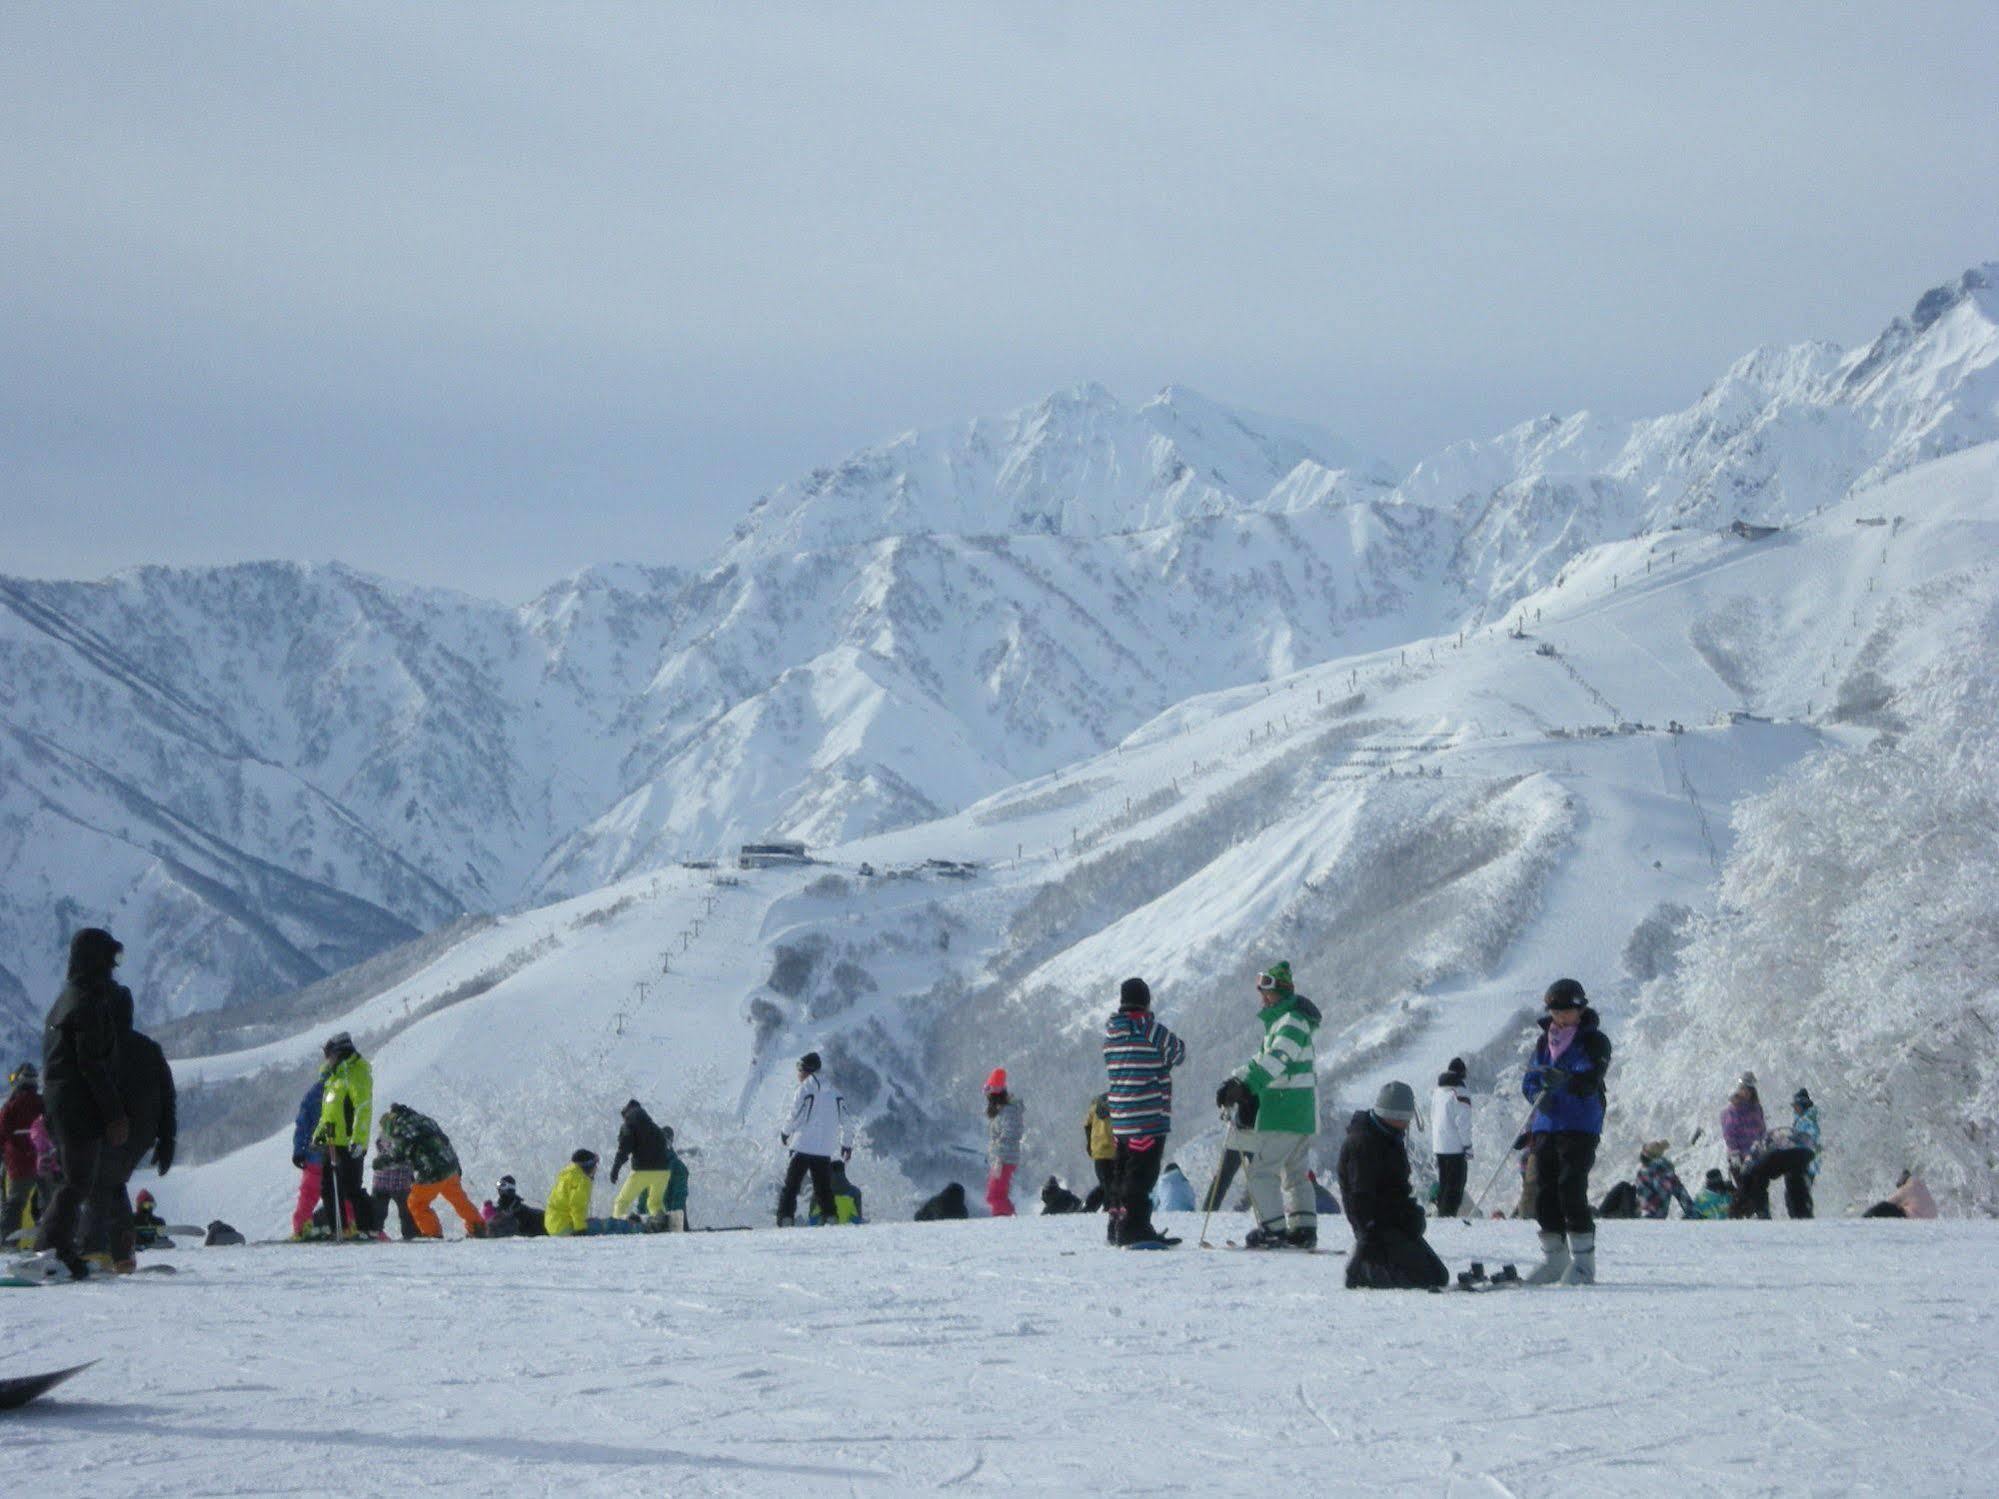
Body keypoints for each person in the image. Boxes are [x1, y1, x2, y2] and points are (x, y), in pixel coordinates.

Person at [35, 928, 132, 1280]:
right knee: (77, 1182)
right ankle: (50, 1249)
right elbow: (93, 1064)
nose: (113, 968)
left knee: (77, 1180)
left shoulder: (64, 1000)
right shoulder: (88, 1004)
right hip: (79, 1105)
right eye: (110, 959)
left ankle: (59, 1248)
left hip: (60, 1103)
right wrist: (115, 1114)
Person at [1215, 961, 1321, 1250]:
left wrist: (1245, 1086)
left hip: (1283, 1109)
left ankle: (1272, 1229)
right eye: (1261, 991)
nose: (1263, 997)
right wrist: (1236, 1079)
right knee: (1295, 1171)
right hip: (1299, 1111)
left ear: (1283, 992)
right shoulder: (1288, 1021)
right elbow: (1260, 1060)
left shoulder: (1290, 1023)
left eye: (1268, 992)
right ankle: (1303, 1227)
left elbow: (1274, 1061)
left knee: (1262, 1170)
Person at [1521, 977, 1611, 1285]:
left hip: (1580, 1124)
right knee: (1544, 1190)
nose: (1561, 1017)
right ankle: (1555, 1257)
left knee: (1570, 1185)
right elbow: (1531, 1078)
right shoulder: (1544, 1041)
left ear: (1580, 1009)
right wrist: (1536, 1094)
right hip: (1547, 1123)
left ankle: (1584, 1261)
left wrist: (1567, 1081)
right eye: (1555, 1011)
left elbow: (1592, 1079)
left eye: (1567, 1011)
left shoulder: (1593, 1041)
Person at [84, 983, 176, 1271]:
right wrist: (166, 1140)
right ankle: (121, 1253)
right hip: (142, 1136)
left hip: (109, 1129)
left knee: (99, 1184)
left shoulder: (100, 1047)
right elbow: (167, 1096)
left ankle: (94, 1250)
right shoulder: (149, 1048)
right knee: (112, 1182)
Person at [1337, 1081, 1449, 1290]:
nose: (1408, 1124)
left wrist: (1411, 1215)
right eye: (1405, 1118)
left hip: (1394, 1221)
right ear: (1393, 1115)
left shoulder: (1389, 1137)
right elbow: (1359, 1198)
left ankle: (1376, 1265)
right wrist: (1368, 1238)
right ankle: (1363, 1271)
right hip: (1376, 1229)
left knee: (1438, 1276)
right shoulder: (1362, 1143)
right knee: (1418, 1280)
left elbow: (1398, 1187)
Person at [1102, 976, 1188, 1248]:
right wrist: (1160, 1064)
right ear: (1146, 1001)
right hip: (1148, 1116)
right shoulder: (1149, 1029)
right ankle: (1135, 1228)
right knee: (1142, 1175)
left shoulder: (1112, 1035)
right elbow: (1179, 1052)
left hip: (1121, 1119)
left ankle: (1116, 1225)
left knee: (1121, 1172)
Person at [378, 1103, 484, 1238]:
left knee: (416, 1203)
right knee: (459, 1200)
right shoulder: (424, 1120)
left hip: (432, 1170)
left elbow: (400, 1153)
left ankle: (432, 1233)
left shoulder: (401, 1127)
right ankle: (477, 1226)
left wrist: (382, 1161)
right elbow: (444, 1139)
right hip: (450, 1165)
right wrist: (456, 1166)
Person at [311, 1032, 378, 1238]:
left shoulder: (355, 1073)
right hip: (333, 1142)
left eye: (329, 1054)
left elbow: (362, 1108)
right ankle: (338, 1230)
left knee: (351, 1188)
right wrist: (318, 1136)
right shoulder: (334, 1078)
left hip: (349, 1142)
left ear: (339, 1052)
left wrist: (358, 1140)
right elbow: (328, 1113)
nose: (327, 1059)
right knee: (328, 1189)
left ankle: (369, 1229)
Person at [777, 1052, 854, 1227]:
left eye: (800, 1069)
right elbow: (847, 1121)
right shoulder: (835, 1093)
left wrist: (785, 1132)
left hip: (803, 1146)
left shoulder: (805, 1089)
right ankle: (830, 1218)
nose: (798, 1073)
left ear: (807, 1071)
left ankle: (785, 1219)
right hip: (824, 1149)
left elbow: (795, 1115)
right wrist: (846, 1144)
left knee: (791, 1186)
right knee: (823, 1188)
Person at [290, 1073, 352, 1239]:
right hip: (337, 1153)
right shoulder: (344, 1090)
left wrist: (299, 1152)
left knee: (308, 1194)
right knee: (343, 1191)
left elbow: (302, 1125)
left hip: (313, 1155)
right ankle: (350, 1225)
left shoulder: (312, 1095)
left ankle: (302, 1229)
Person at [610, 1098, 676, 1221]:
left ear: (627, 1113)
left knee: (622, 1201)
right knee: (654, 1203)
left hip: (642, 1170)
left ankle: (616, 1224)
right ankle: (661, 1222)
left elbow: (624, 1148)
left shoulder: (629, 1125)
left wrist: (615, 1168)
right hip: (663, 1171)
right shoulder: (654, 1127)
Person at [2, 1062, 46, 1240]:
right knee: (51, 1201)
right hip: (44, 1161)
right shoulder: (43, 1103)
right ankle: (54, 1238)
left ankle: (7, 1239)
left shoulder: (11, 1106)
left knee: (15, 1202)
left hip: (18, 1163)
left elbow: (2, 1132)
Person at [1431, 1057, 1473, 1217]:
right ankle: (1447, 1217)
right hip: (1455, 1147)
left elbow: (1432, 1116)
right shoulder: (1460, 1093)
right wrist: (1467, 1146)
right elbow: (1463, 1123)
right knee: (1456, 1186)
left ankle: (1441, 1213)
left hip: (1439, 1145)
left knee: (1444, 1183)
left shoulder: (1437, 1091)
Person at [984, 1069, 1024, 1217]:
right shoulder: (1002, 1111)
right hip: (1001, 1158)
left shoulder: (1009, 1111)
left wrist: (998, 1156)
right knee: (996, 1194)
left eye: (987, 1090)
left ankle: (1005, 1220)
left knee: (995, 1195)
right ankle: (1003, 1218)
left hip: (1004, 1159)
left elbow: (1012, 1133)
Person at [1633, 1140, 1697, 1220]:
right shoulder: (1667, 1173)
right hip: (1656, 1217)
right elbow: (1682, 1196)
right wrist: (1692, 1215)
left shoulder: (1643, 1172)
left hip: (1641, 1217)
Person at [1721, 1074, 1766, 1183]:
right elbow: (1729, 1134)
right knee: (1746, 1190)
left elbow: (1761, 1128)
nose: (1745, 1093)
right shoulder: (1732, 1111)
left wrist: (1761, 1142)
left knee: (1761, 1188)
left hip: (1755, 1155)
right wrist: (1735, 1153)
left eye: (1748, 1090)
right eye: (1742, 1089)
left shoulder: (1756, 1108)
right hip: (1739, 1158)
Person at [545, 1149, 599, 1236]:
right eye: (595, 1164)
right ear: (588, 1166)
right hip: (565, 1227)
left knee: (593, 1222)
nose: (596, 1168)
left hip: (553, 1226)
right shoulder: (582, 1179)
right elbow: (576, 1205)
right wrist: (580, 1229)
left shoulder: (568, 1174)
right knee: (606, 1226)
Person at [1787, 1089, 1822, 1218]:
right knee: (1797, 1189)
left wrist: (1794, 1140)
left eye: (1796, 1106)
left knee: (1803, 1189)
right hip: (1799, 1161)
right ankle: (1800, 1213)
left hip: (1808, 1163)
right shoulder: (1800, 1120)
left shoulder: (1809, 1121)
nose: (1794, 1108)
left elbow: (1810, 1139)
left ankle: (1804, 1214)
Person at [1083, 1094, 1117, 1212]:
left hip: (1099, 1151)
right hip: (1115, 1150)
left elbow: (1087, 1126)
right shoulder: (1117, 1105)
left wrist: (1089, 1145)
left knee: (1105, 1183)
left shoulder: (1094, 1107)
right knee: (1113, 1184)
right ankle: (1109, 1209)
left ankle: (1089, 1207)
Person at [1863, 1171, 1937, 1219]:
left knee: (1882, 1206)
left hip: (1912, 1216)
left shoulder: (1909, 1187)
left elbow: (1890, 1202)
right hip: (1929, 1218)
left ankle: (1864, 1219)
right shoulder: (1923, 1188)